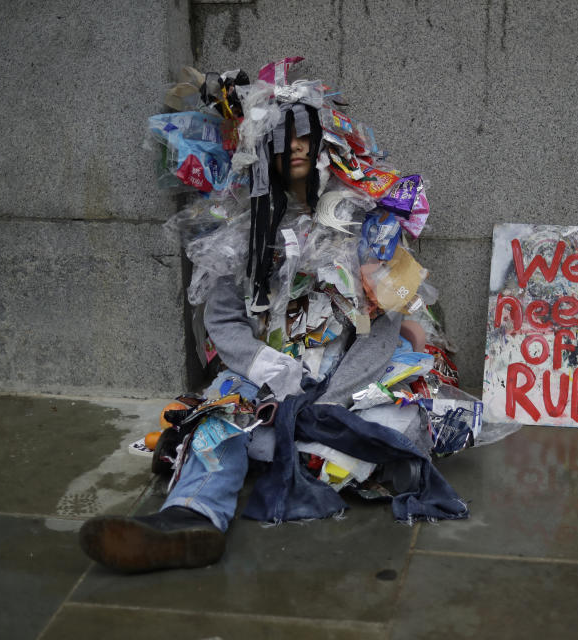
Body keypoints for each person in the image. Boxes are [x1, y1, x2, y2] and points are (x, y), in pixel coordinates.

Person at [78, 63, 469, 573]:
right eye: (285, 138)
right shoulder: (241, 236)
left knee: (397, 420)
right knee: (219, 414)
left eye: (308, 134)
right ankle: (191, 520)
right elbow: (223, 320)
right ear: (265, 151)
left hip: (346, 390)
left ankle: (306, 455)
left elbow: (387, 325)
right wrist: (265, 366)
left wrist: (333, 392)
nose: (299, 146)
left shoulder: (368, 229)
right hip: (269, 386)